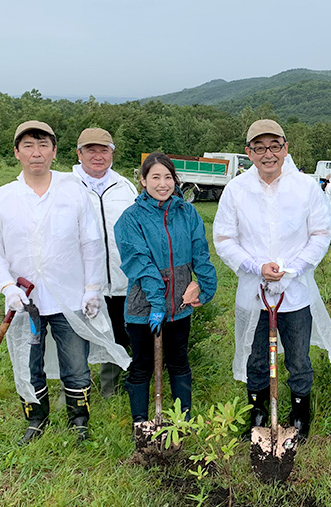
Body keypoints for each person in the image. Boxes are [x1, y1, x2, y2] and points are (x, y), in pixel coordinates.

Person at [0, 120, 130, 444]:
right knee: (29, 360)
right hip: (26, 301)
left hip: (70, 296)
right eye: (29, 146)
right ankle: (36, 418)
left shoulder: (71, 191)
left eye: (43, 145)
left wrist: (92, 289)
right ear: (17, 152)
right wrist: (7, 286)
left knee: (75, 361)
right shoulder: (2, 199)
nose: (37, 153)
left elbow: (91, 242)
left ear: (55, 151)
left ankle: (79, 420)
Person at [213, 119, 331, 443]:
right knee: (256, 355)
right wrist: (256, 266)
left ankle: (299, 414)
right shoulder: (236, 190)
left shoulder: (306, 188)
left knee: (298, 357)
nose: (268, 154)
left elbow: (321, 234)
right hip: (253, 291)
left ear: (285, 148)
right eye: (259, 147)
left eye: (274, 146)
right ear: (248, 152)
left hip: (294, 292)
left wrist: (292, 269)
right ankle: (257, 412)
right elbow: (224, 238)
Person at [115, 151, 217, 425]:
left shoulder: (187, 213)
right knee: (142, 363)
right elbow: (139, 262)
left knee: (179, 361)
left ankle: (181, 420)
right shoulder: (130, 219)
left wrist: (206, 287)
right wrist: (157, 304)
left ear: (175, 180)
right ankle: (140, 422)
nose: (163, 184)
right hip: (144, 306)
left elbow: (200, 252)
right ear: (143, 181)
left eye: (168, 177)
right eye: (155, 177)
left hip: (179, 306)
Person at [71, 128, 139, 398]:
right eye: (91, 150)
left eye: (104, 150)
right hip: (81, 280)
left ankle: (109, 390)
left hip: (122, 280)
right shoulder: (66, 186)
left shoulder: (125, 187)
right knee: (77, 335)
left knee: (118, 334)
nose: (97, 156)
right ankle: (76, 390)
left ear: (112, 152)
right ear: (79, 154)